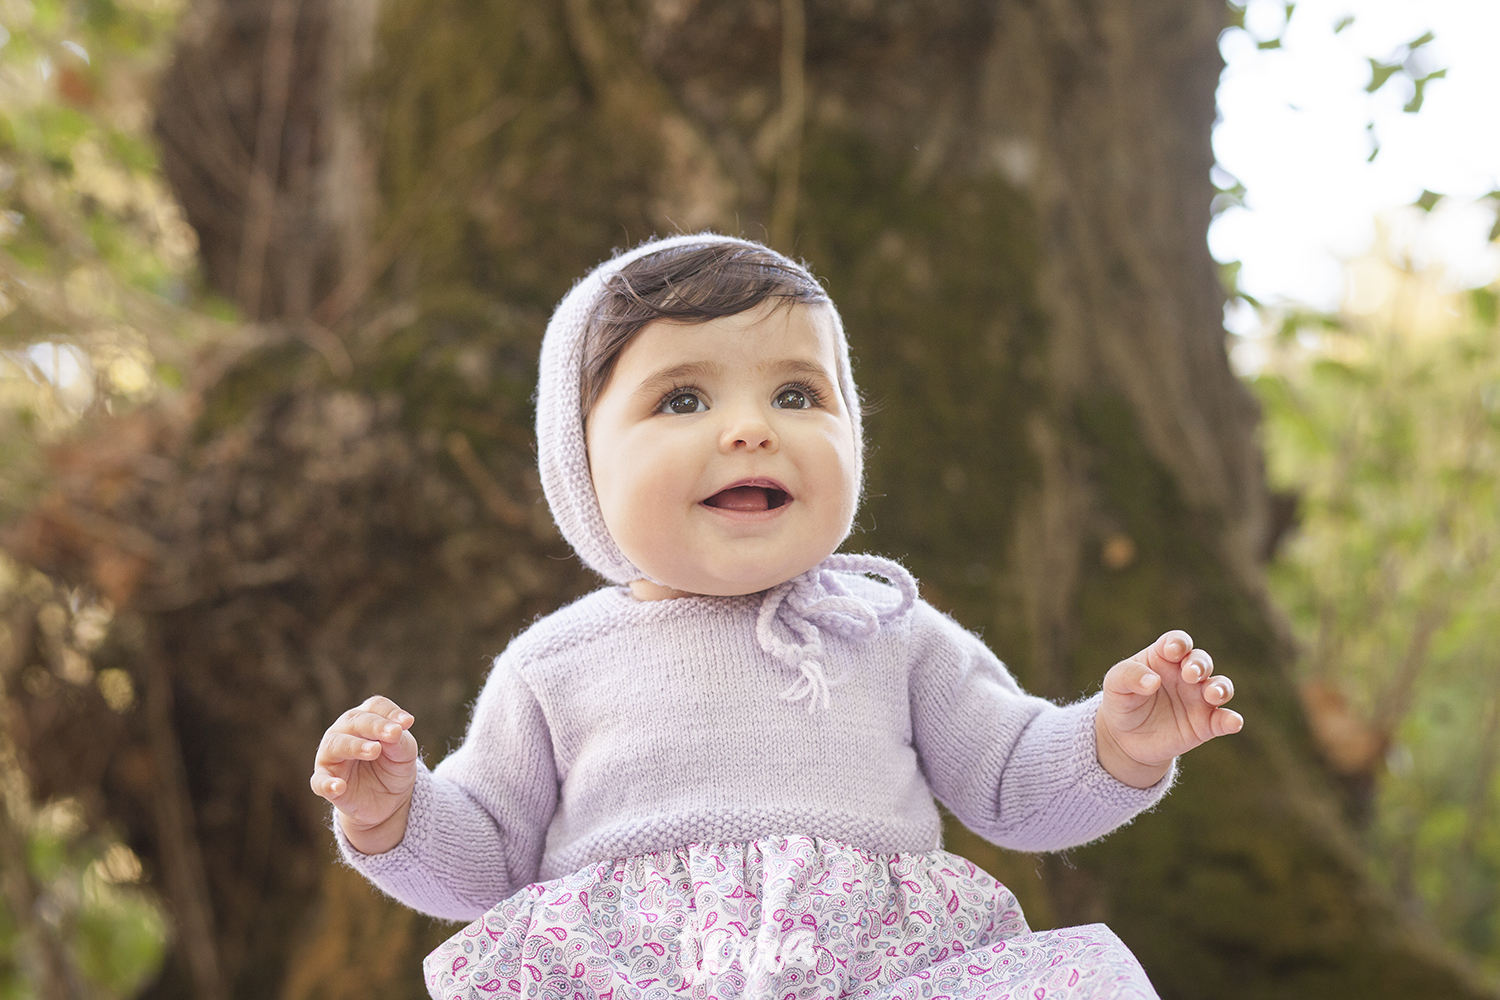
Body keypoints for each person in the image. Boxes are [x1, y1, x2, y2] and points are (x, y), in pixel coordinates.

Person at [310, 234, 1243, 1000]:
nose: (751, 427)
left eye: (797, 394)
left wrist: (1120, 745)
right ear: (581, 468)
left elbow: (1012, 784)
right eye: (683, 398)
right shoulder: (556, 667)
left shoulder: (886, 633)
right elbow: (484, 864)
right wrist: (396, 814)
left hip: (884, 977)